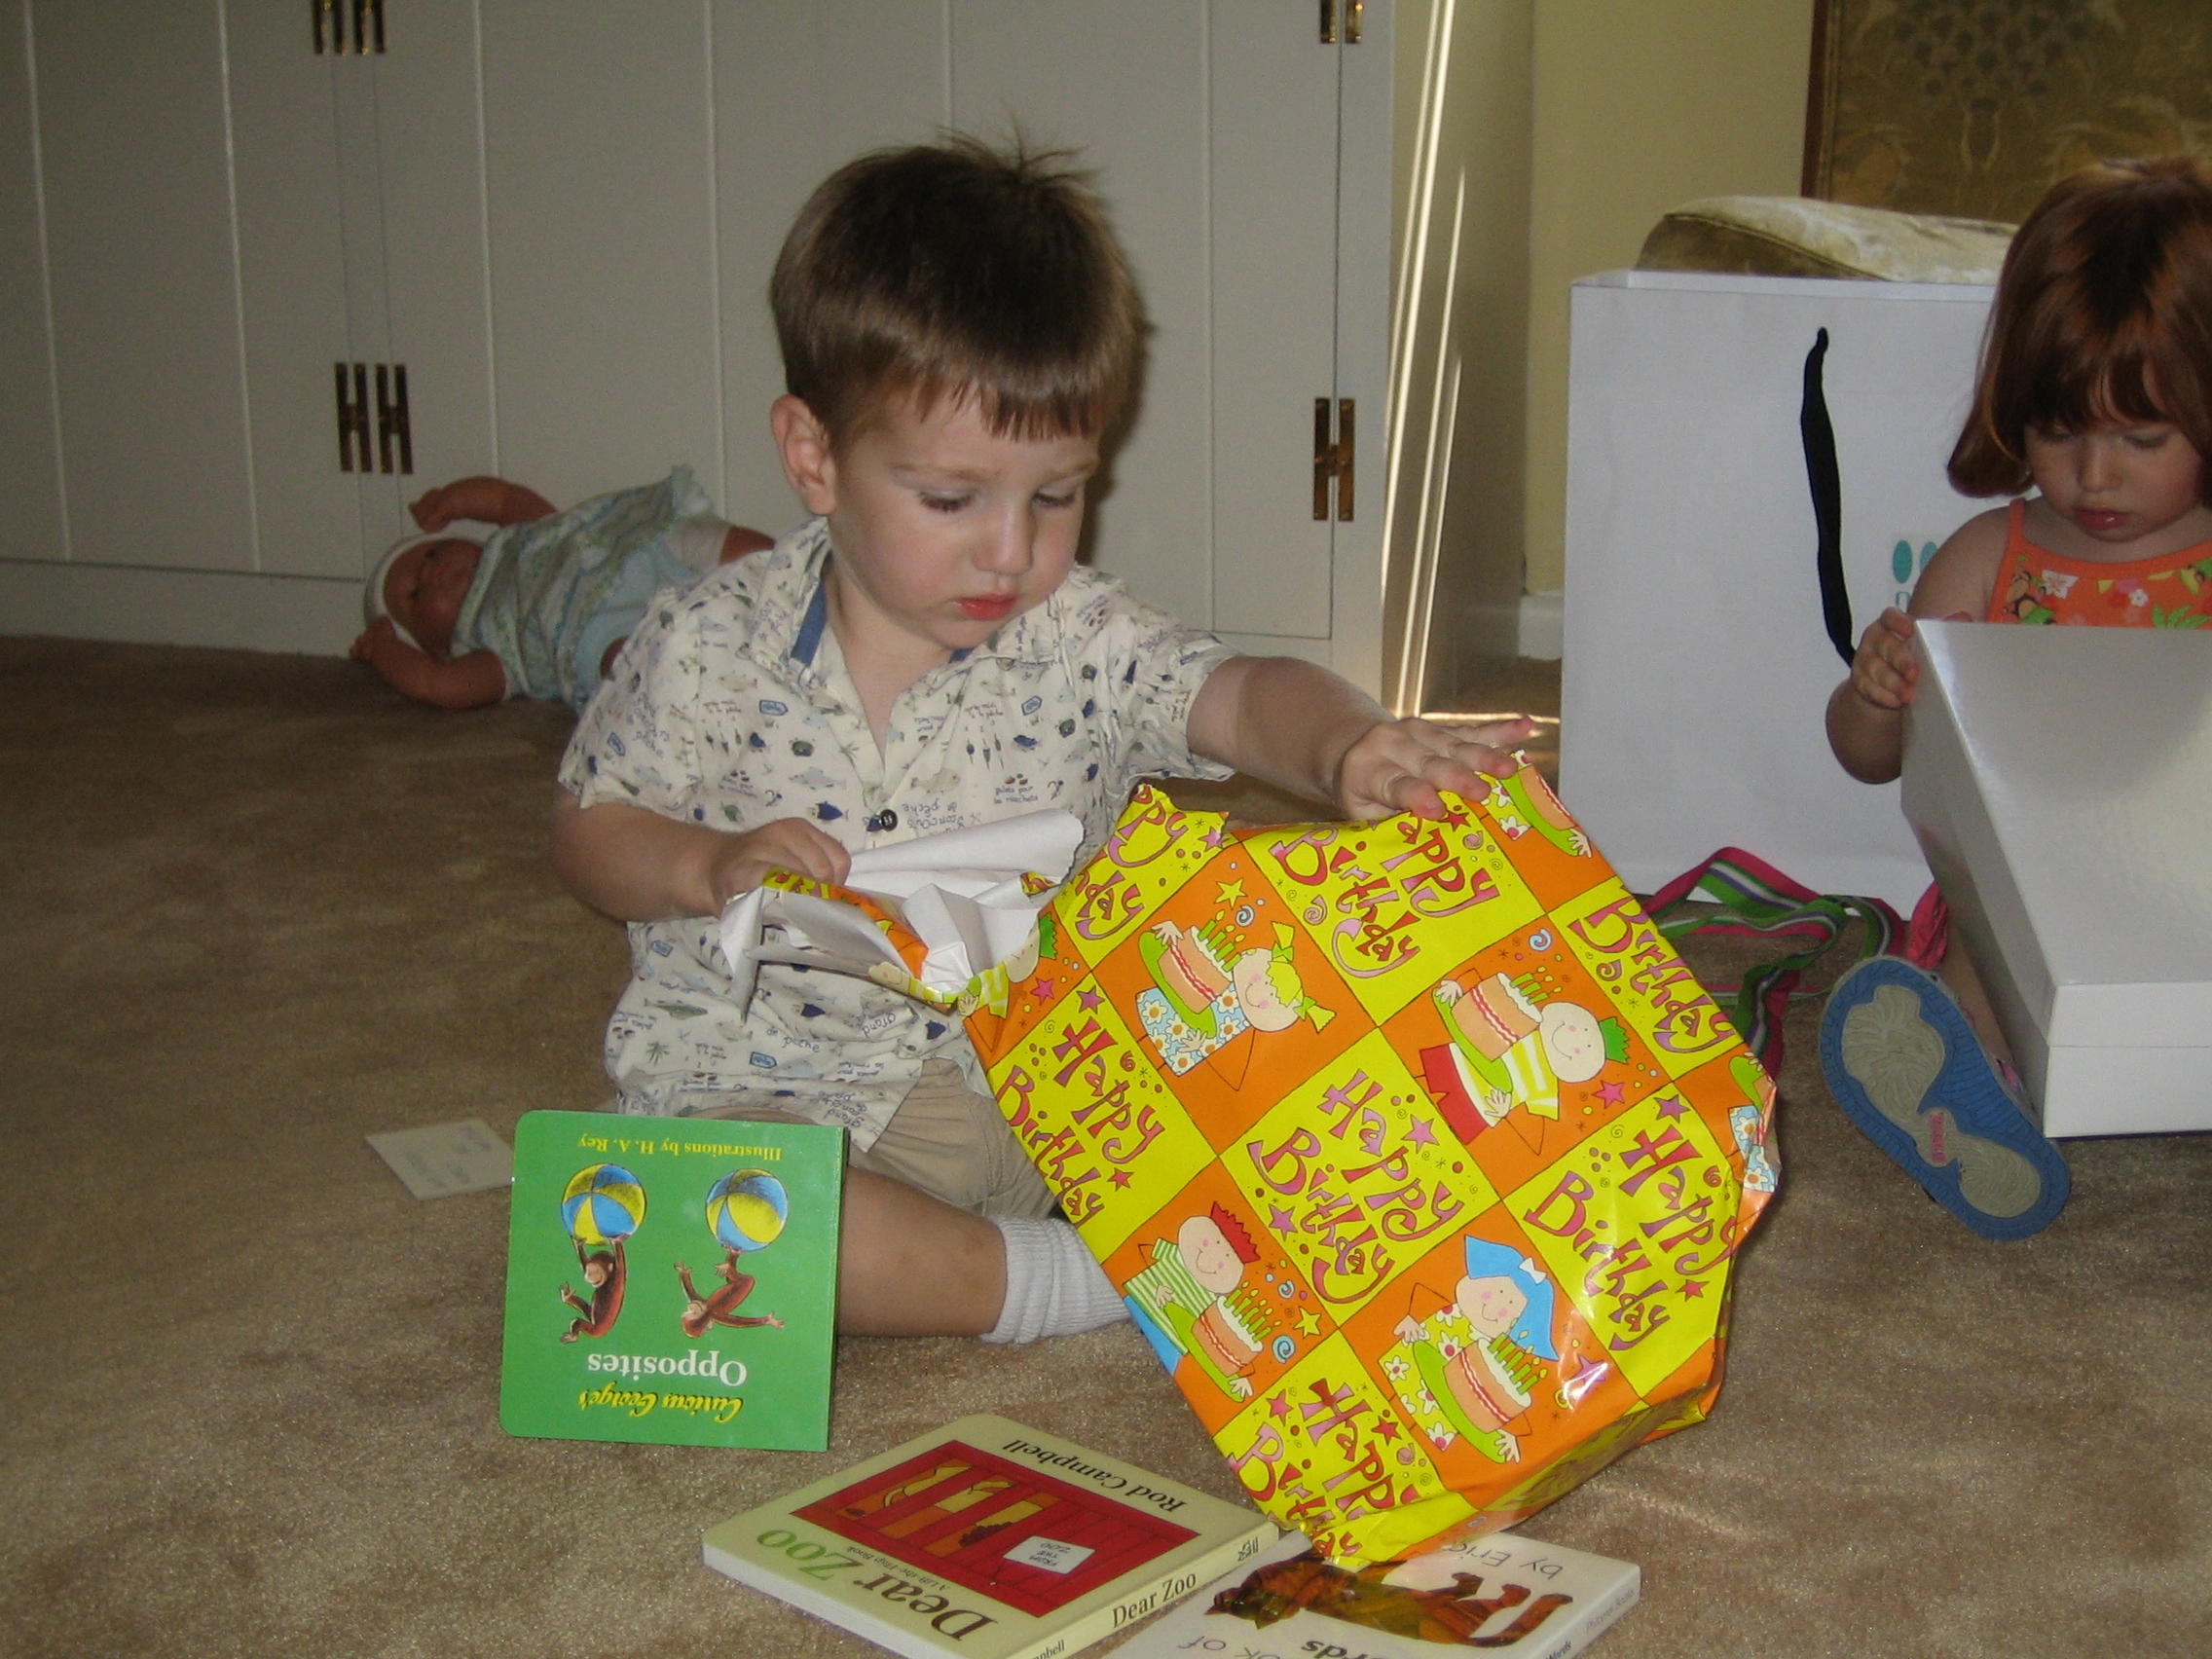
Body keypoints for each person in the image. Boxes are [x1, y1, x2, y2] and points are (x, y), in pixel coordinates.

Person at [548, 136, 1534, 1343]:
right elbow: (589, 827)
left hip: (1059, 1100)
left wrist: (1346, 745)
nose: (1012, 551)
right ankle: (1076, 1284)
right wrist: (704, 866)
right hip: (783, 1099)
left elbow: (1238, 693)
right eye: (951, 499)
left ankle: (1116, 1239)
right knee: (717, 1226)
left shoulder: (1080, 635)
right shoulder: (704, 645)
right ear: (814, 458)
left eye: (1056, 495)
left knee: (1328, 1078)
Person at [1823, 157, 2212, 1239]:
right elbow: (1868, 759)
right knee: (1980, 960)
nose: (2094, 475)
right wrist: (1877, 695)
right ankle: (1972, 1104)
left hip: (2189, 896)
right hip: (2023, 903)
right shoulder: (1987, 561)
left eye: (2142, 438)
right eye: (2057, 430)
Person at [351, 468, 776, 712]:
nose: (431, 572)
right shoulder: (485, 645)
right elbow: (436, 686)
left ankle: (790, 580)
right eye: (415, 595)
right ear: (434, 648)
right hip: (596, 628)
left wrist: (453, 500)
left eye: (431, 554)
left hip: (636, 551)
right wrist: (385, 651)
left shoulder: (518, 540)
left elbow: (504, 499)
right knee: (622, 660)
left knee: (710, 541)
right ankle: (703, 681)